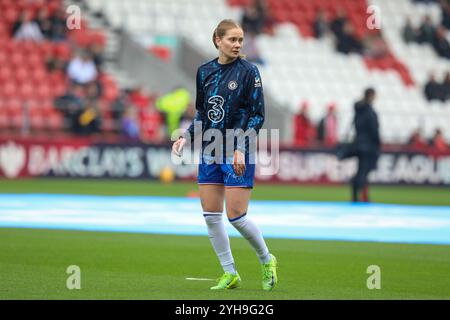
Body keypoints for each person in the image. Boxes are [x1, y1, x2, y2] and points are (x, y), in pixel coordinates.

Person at [171, 19, 277, 291]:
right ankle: (229, 272)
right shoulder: (204, 71)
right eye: (232, 39)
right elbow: (203, 113)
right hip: (209, 148)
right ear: (217, 40)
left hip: (236, 150)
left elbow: (257, 115)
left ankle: (266, 259)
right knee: (211, 215)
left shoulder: (249, 72)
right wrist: (185, 135)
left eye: (240, 40)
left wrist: (241, 148)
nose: (238, 44)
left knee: (237, 216)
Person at [350, 88, 381, 203]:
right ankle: (359, 196)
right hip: (368, 146)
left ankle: (358, 196)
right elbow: (374, 130)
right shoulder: (369, 112)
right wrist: (377, 144)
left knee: (361, 171)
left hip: (358, 144)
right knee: (363, 172)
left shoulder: (359, 110)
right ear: (371, 96)